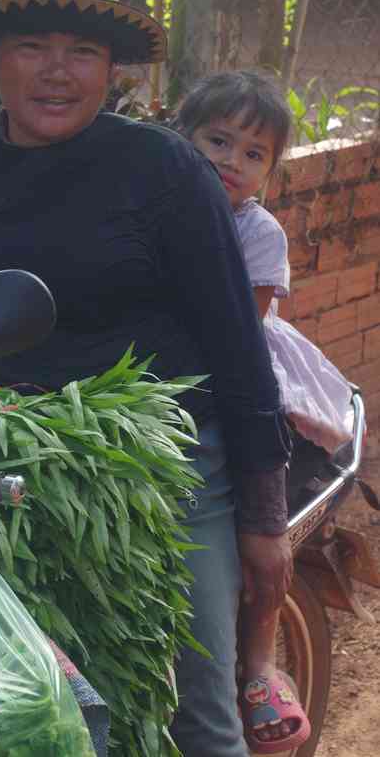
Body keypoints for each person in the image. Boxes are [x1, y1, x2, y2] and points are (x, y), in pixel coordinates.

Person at [0, 0, 292, 757]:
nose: (57, 72)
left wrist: (263, 519)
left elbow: (238, 347)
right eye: (32, 47)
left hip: (159, 471)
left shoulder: (163, 169)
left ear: (113, 72)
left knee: (196, 712)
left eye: (82, 52)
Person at [177, 70, 352, 754]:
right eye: (218, 140)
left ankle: (254, 663)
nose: (231, 160)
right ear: (180, 137)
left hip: (248, 379)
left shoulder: (257, 231)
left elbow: (237, 336)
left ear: (270, 172)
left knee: (259, 523)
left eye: (253, 153)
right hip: (169, 377)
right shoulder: (161, 202)